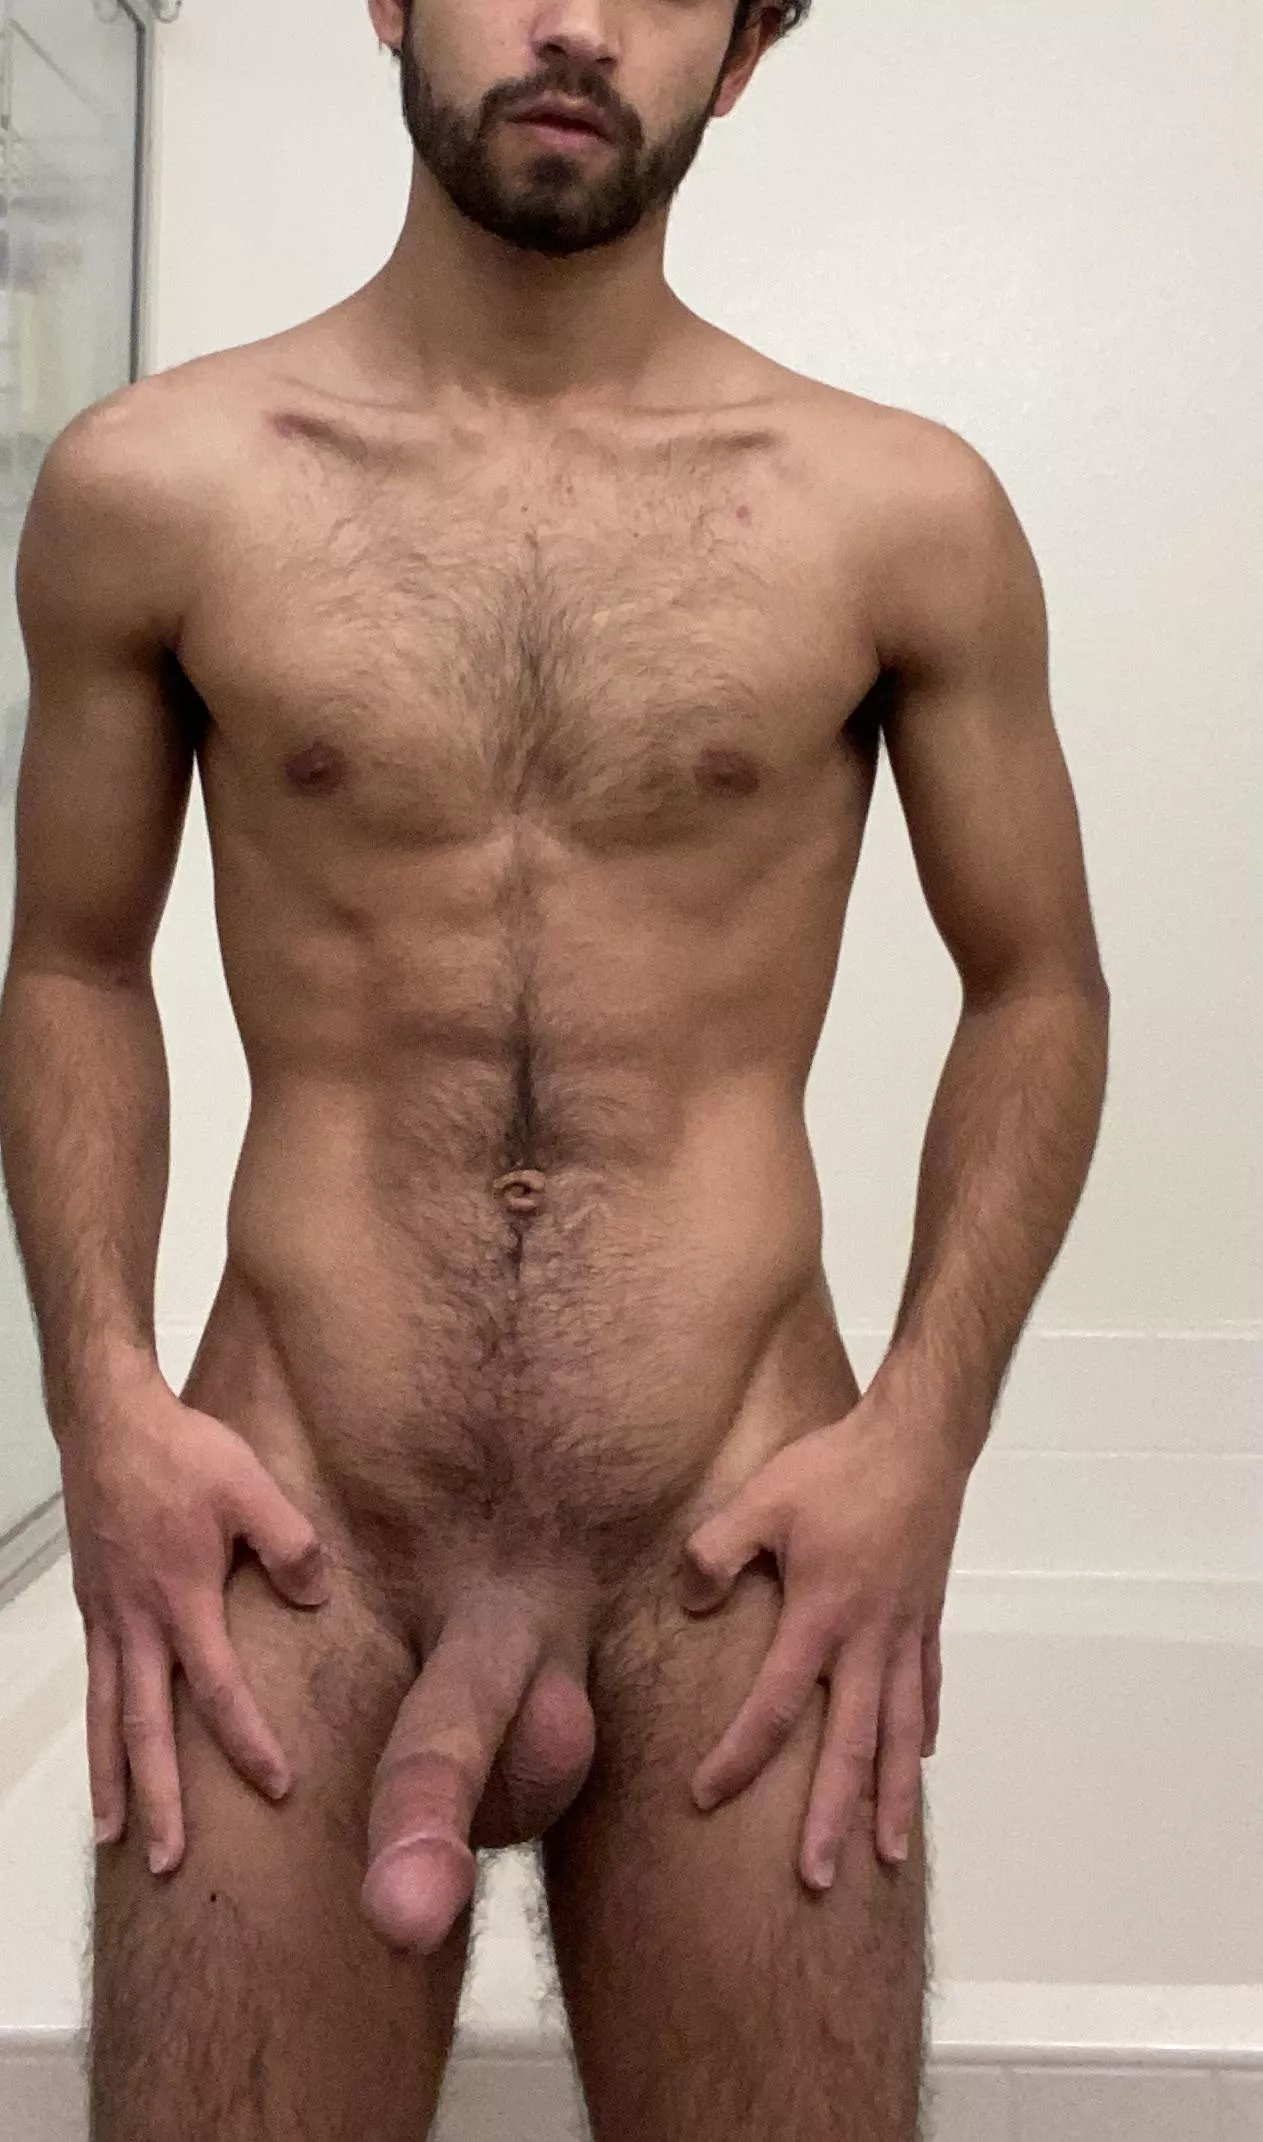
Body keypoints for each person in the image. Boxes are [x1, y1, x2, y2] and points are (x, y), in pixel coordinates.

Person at [0, 0, 1110, 2133]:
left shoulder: (897, 511)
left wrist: (926, 1432)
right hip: (295, 1505)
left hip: (736, 1512)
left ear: (748, 49)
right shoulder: (160, 485)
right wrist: (103, 1400)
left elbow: (1039, 987)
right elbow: (70, 962)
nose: (581, 21)